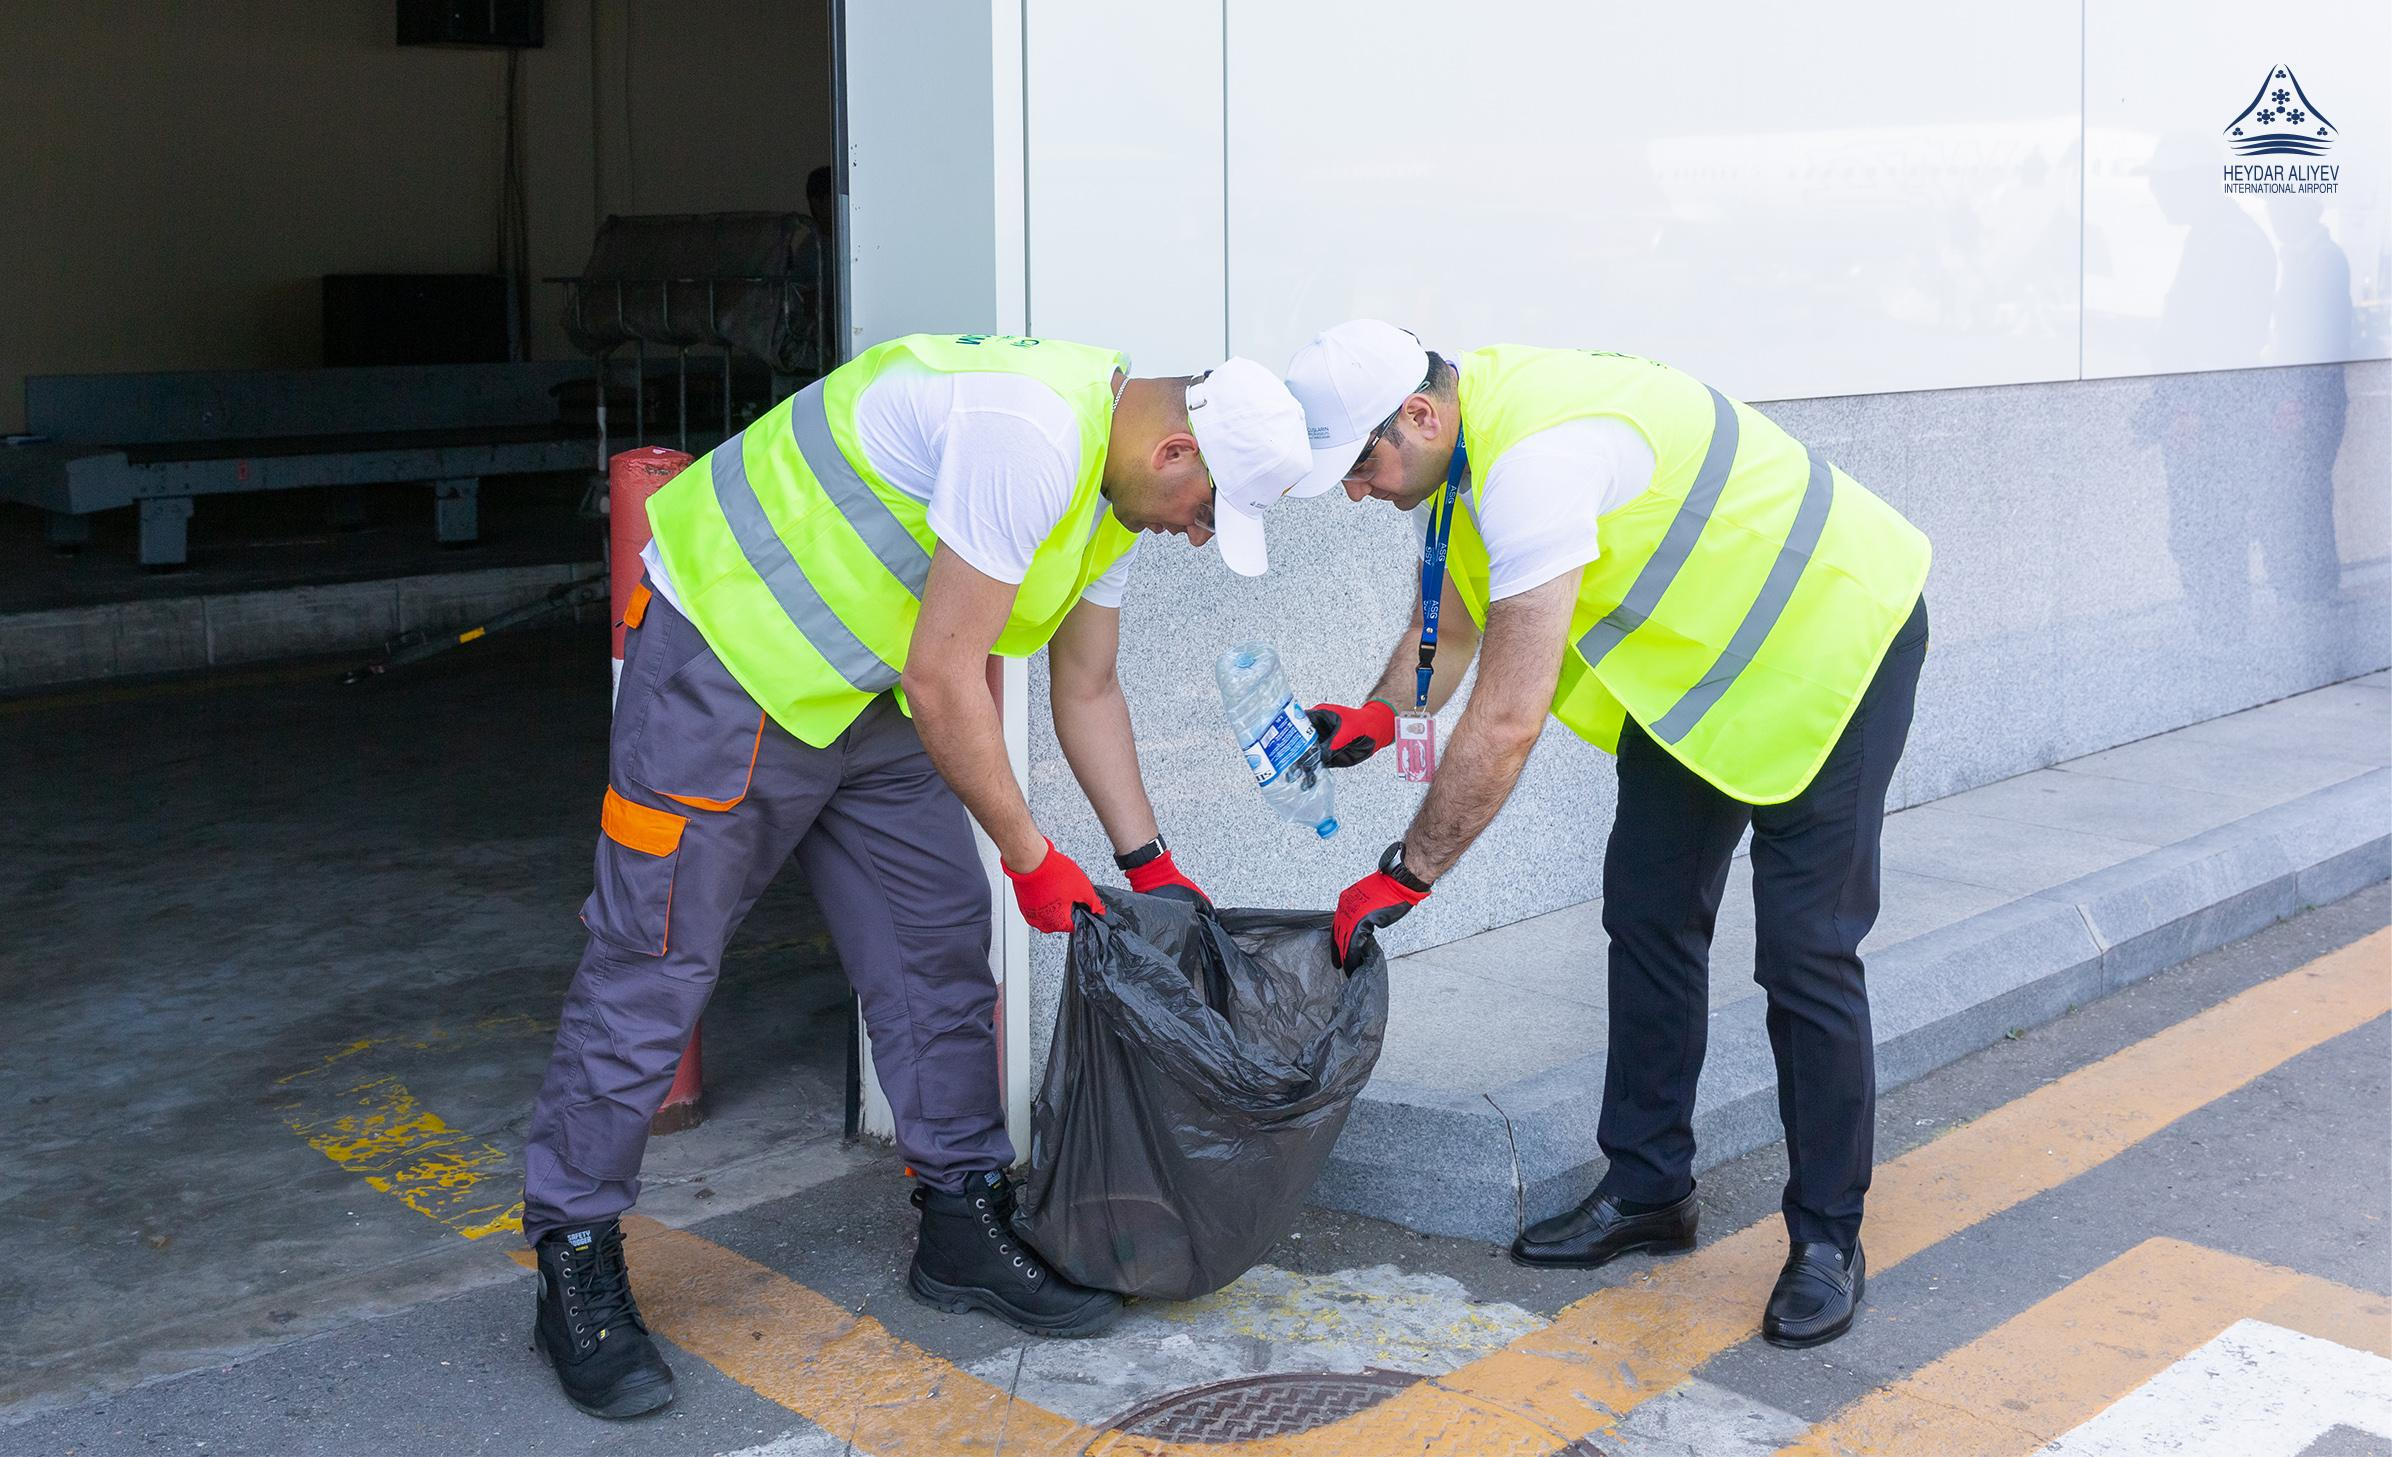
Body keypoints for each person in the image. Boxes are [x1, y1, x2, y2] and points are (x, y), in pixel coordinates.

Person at [522, 332, 1314, 1417]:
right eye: (1209, 509)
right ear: (1177, 449)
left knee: (936, 950)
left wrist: (1152, 863)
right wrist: (1033, 859)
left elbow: (1087, 687)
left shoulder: (1119, 495)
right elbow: (950, 680)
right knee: (652, 962)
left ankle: (960, 1220)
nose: (1198, 532)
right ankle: (574, 1252)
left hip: (871, 692)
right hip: (731, 660)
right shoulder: (1030, 434)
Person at [1289, 320, 1929, 1350]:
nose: (1355, 490)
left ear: (1416, 413)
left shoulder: (1537, 462)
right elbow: (1450, 625)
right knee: (1648, 911)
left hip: (1834, 640)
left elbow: (1506, 715)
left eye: (1359, 463)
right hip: (1706, 677)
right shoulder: (1464, 450)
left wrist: (1408, 870)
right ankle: (1647, 1189)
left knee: (1806, 952)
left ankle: (1826, 1237)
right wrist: (1381, 713)